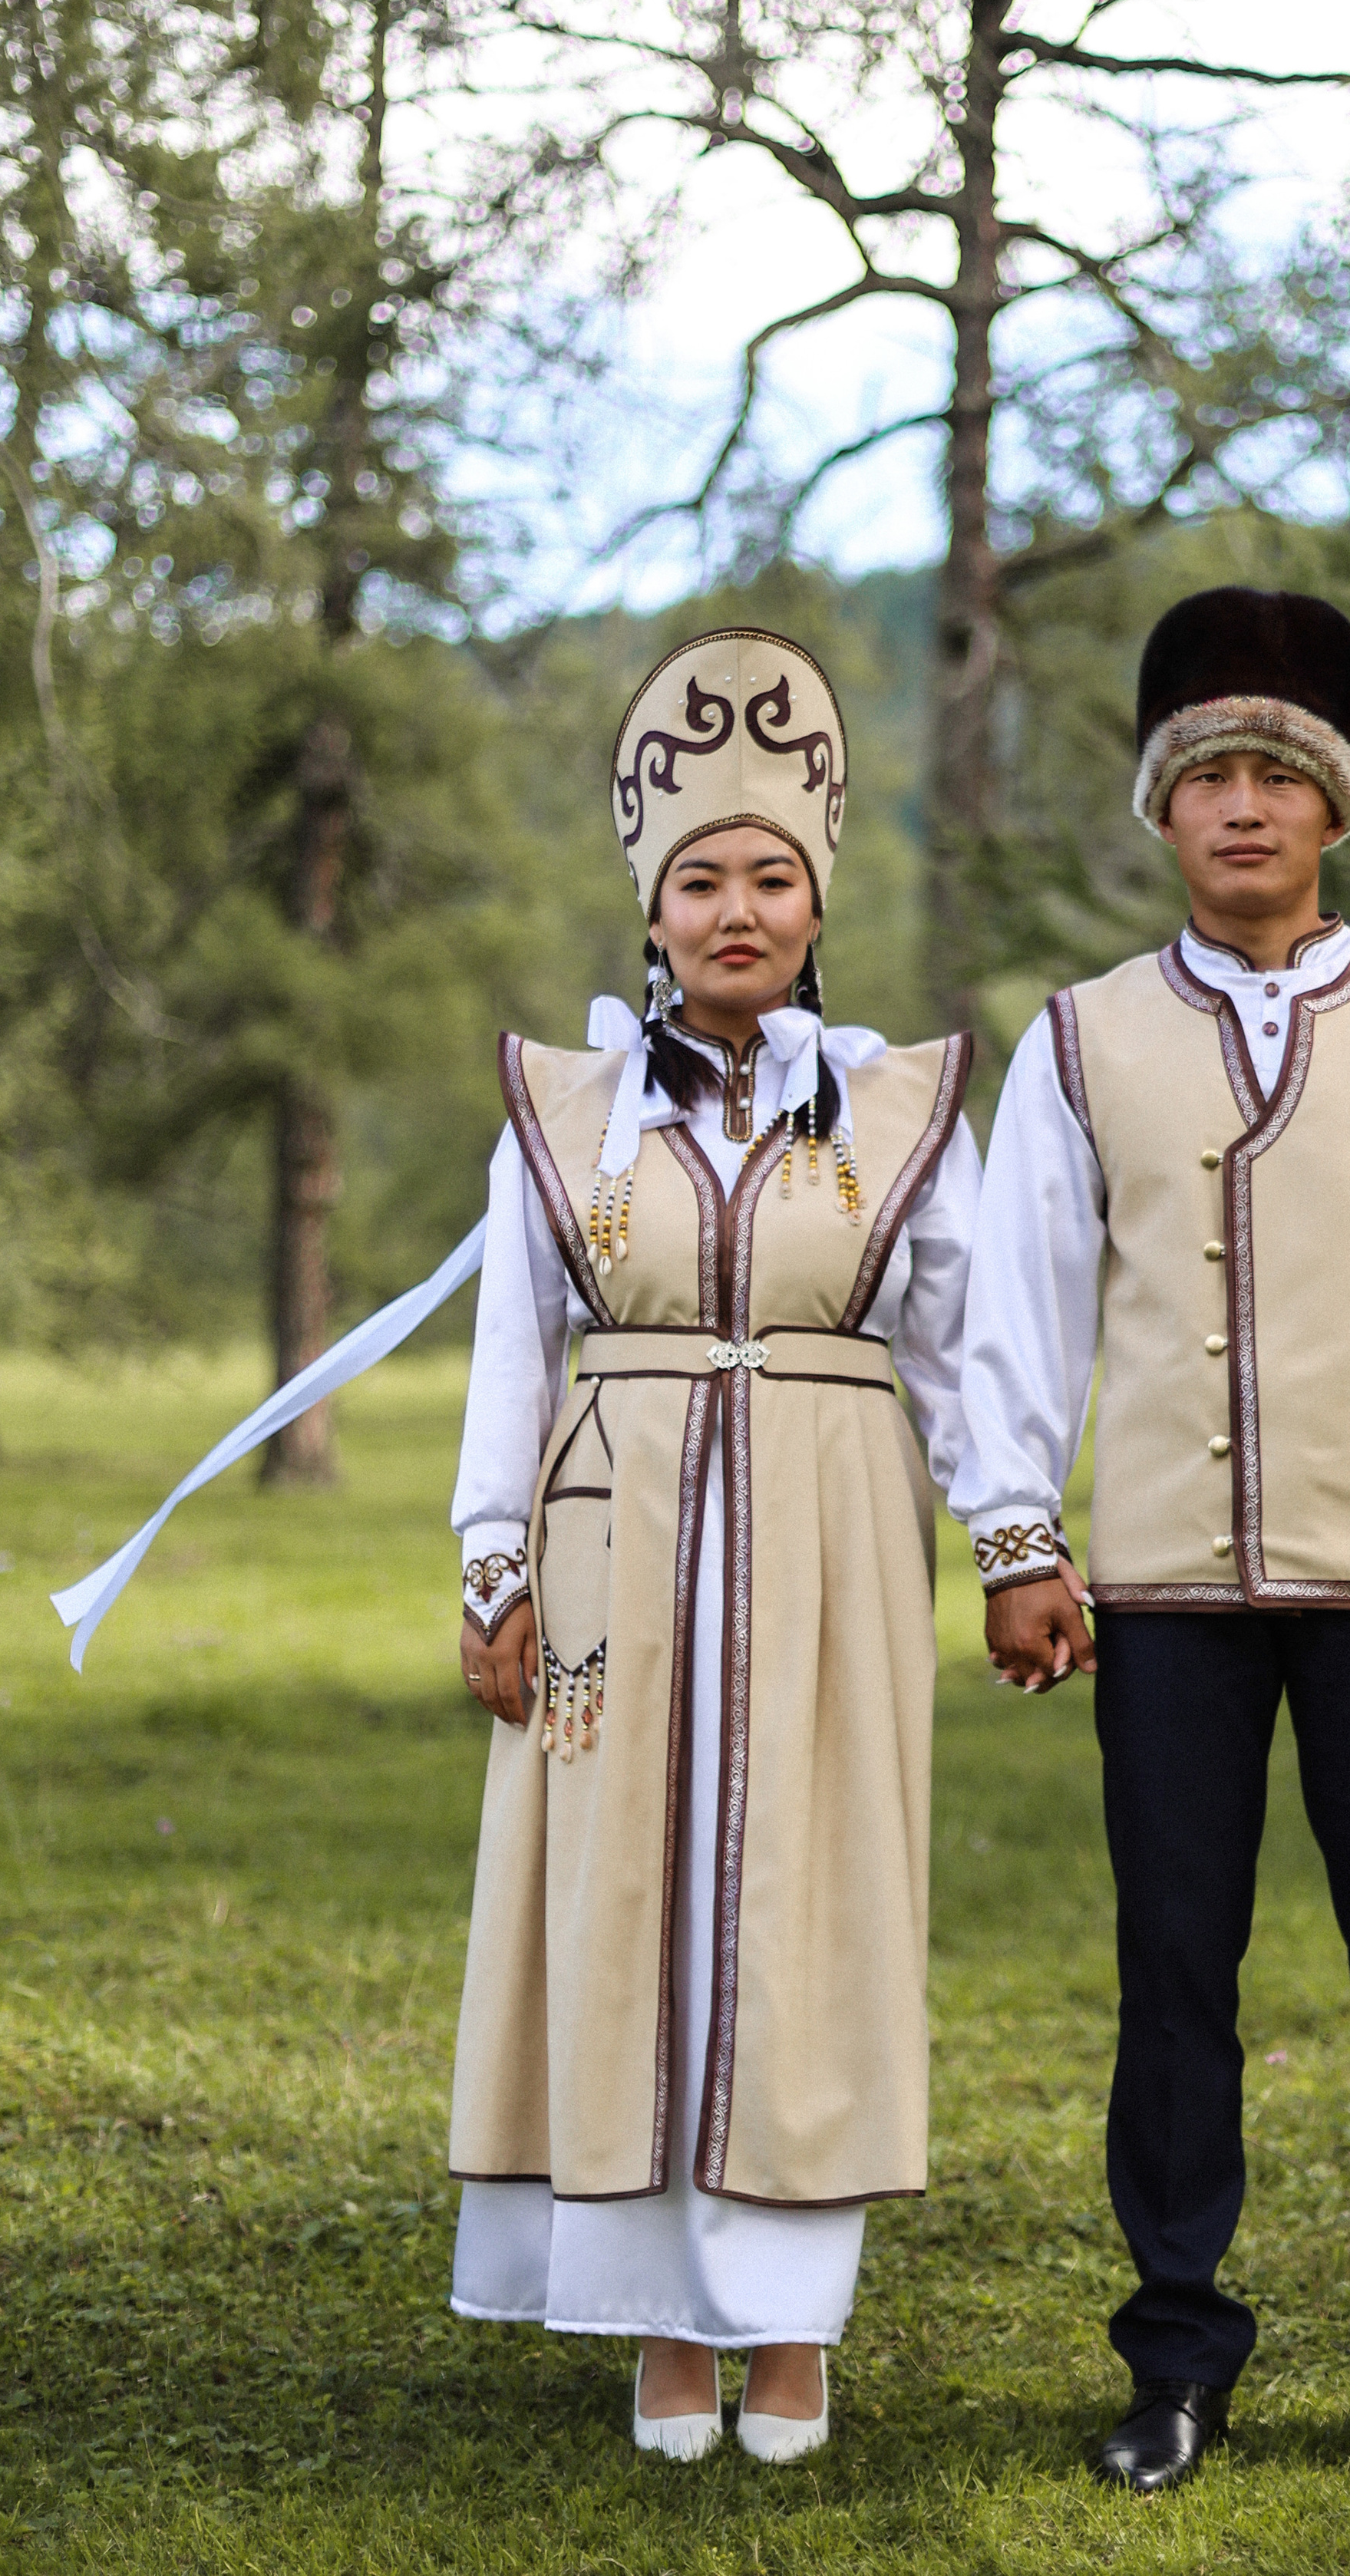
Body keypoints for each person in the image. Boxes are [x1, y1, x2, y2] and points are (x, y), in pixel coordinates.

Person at [950, 586, 1350, 2506]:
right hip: (1155, 1594)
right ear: (1161, 814)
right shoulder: (1075, 1043)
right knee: (1173, 1979)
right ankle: (1174, 2351)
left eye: (1277, 779)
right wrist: (1013, 1535)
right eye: (1206, 776)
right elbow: (1018, 1312)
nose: (1241, 808)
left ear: (1333, 813)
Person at [448, 627, 977, 2462]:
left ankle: (787, 2333)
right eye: (700, 881)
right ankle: (658, 2327)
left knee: (805, 1907)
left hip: (831, 1543)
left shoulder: (898, 1113)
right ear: (653, 909)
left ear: (814, 902)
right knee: (632, 1902)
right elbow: (517, 1340)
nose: (734, 909)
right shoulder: (566, 1114)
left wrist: (1013, 1538)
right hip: (617, 1542)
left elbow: (957, 1339)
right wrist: (494, 1562)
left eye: (768, 878)